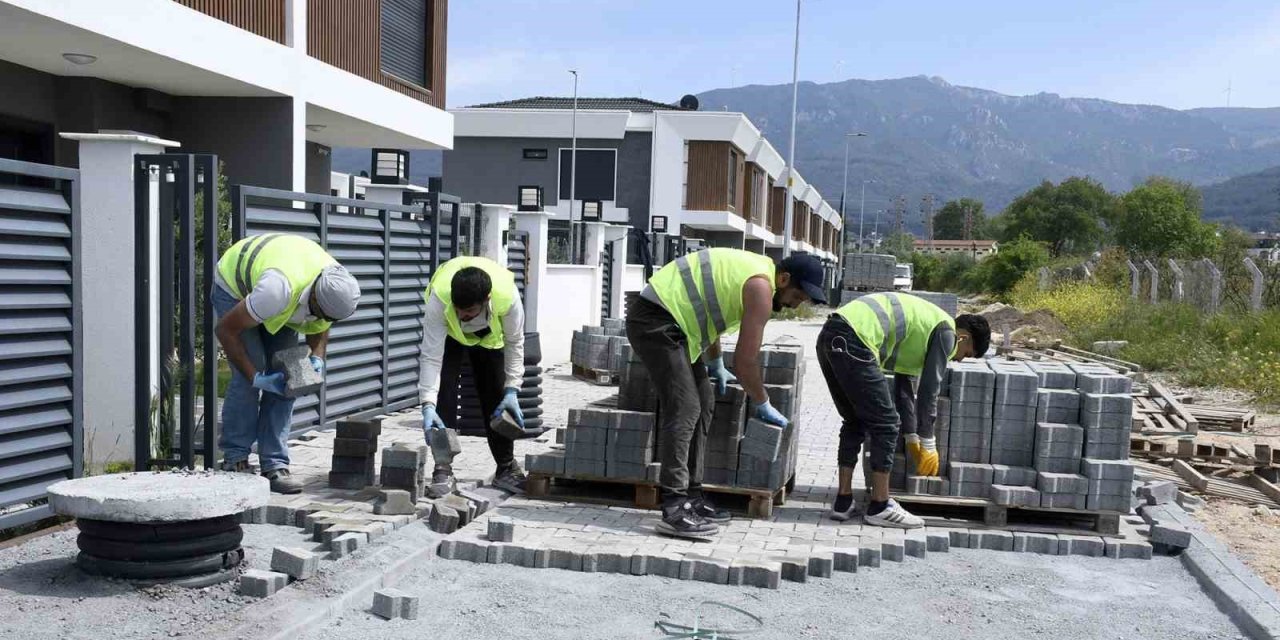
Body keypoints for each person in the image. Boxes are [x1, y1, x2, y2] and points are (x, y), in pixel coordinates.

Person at [627, 248, 827, 539]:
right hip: (655, 321)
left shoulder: (754, 275)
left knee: (704, 401)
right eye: (797, 297)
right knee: (685, 408)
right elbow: (746, 363)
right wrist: (762, 401)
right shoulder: (760, 286)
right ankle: (674, 506)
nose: (797, 305)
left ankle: (693, 496)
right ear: (784, 279)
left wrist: (715, 362)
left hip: (674, 324)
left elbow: (708, 314)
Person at [817, 291, 989, 527]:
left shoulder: (924, 330)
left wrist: (911, 436)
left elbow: (904, 387)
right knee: (886, 425)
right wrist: (928, 442)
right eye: (966, 354)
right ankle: (880, 505)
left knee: (855, 420)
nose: (959, 360)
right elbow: (930, 390)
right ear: (963, 337)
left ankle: (843, 501)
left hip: (830, 334)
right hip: (855, 338)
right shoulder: (946, 332)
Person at [212, 233, 362, 493]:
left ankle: (274, 464)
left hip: (282, 293)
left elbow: (321, 325)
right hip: (235, 286)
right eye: (319, 313)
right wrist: (255, 377)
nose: (322, 320)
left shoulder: (335, 283)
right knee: (250, 371)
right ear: (313, 299)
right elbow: (226, 331)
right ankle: (235, 459)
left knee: (292, 376)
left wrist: (317, 358)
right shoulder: (277, 291)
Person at [417, 256, 527, 495]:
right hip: (450, 338)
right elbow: (431, 356)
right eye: (459, 311)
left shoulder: (507, 297)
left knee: (495, 394)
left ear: (486, 300)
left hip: (490, 340)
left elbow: (515, 343)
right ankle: (443, 468)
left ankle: (506, 468)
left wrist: (512, 389)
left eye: (469, 312)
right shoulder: (440, 299)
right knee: (444, 392)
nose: (463, 317)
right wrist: (427, 403)